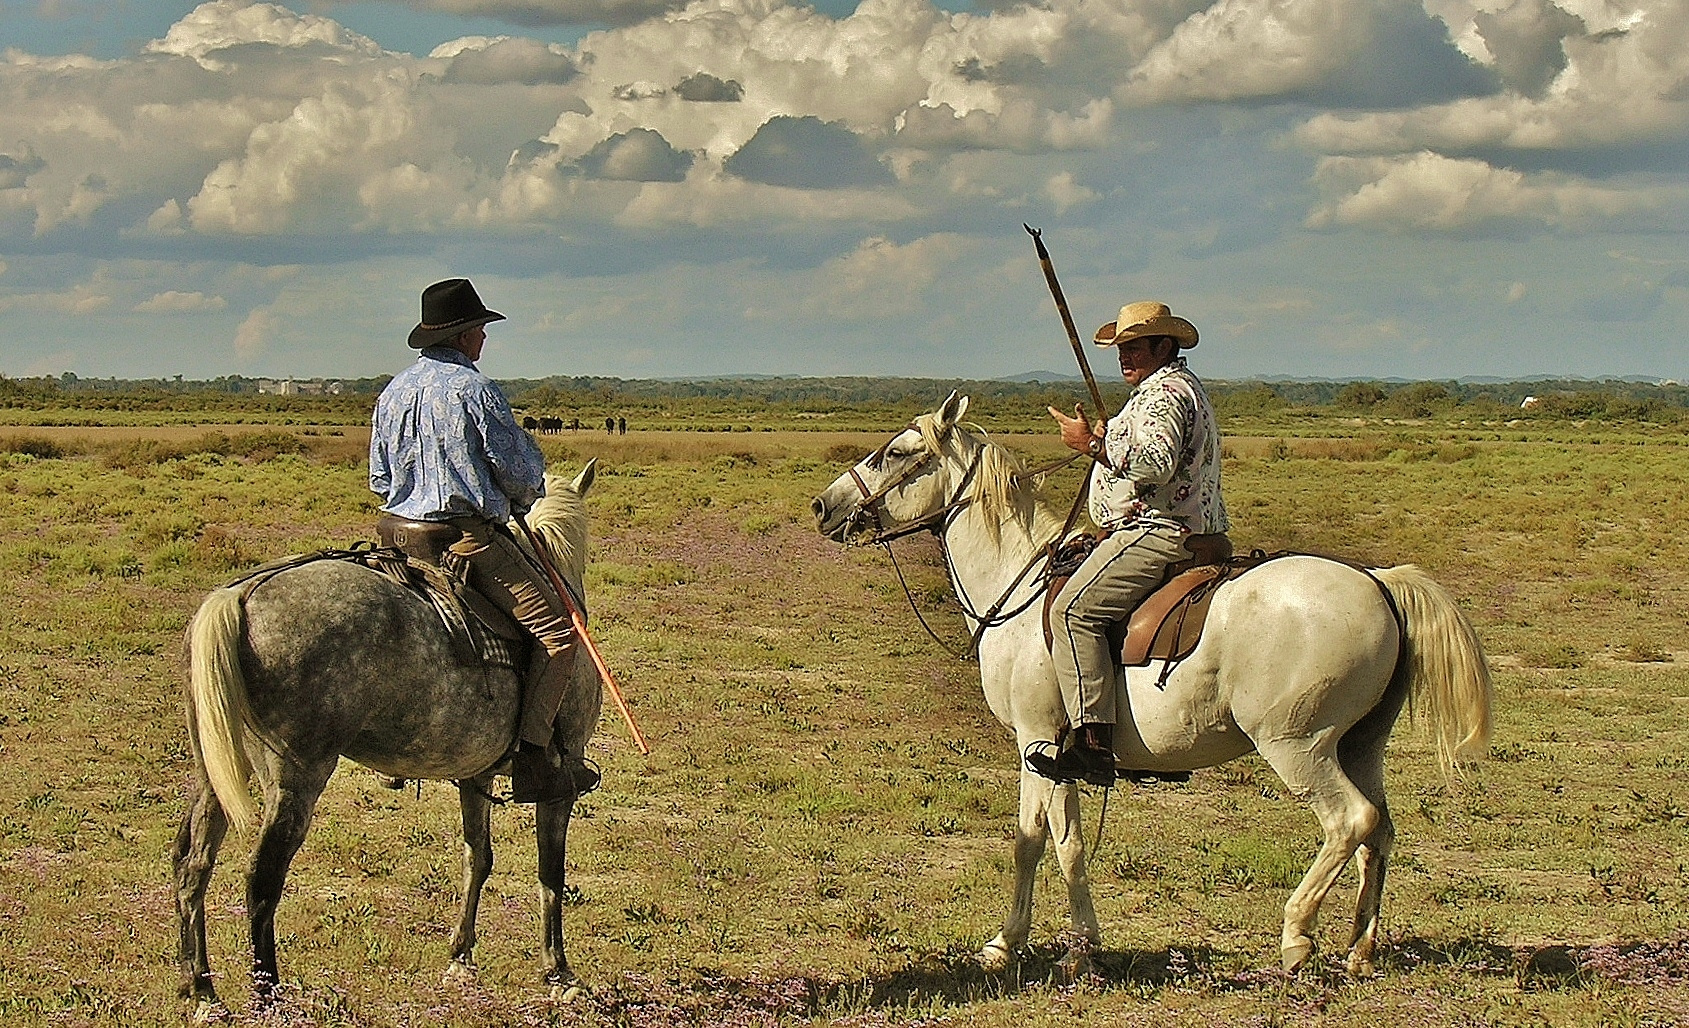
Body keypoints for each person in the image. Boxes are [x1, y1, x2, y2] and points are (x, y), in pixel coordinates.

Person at [369, 278, 593, 804]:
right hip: (464, 540)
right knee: (561, 635)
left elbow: (380, 479)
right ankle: (533, 756)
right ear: (466, 335)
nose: (484, 339)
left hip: (395, 541)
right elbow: (519, 472)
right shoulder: (476, 391)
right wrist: (517, 495)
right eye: (481, 330)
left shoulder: (392, 392)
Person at [1026, 301, 1230, 786]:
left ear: (1165, 346)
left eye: (1134, 346)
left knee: (1071, 611)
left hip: (1159, 531)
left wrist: (1093, 446)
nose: (1124, 357)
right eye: (1120, 348)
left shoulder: (1164, 395)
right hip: (1186, 528)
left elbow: (1156, 463)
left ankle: (1094, 744)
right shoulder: (1169, 390)